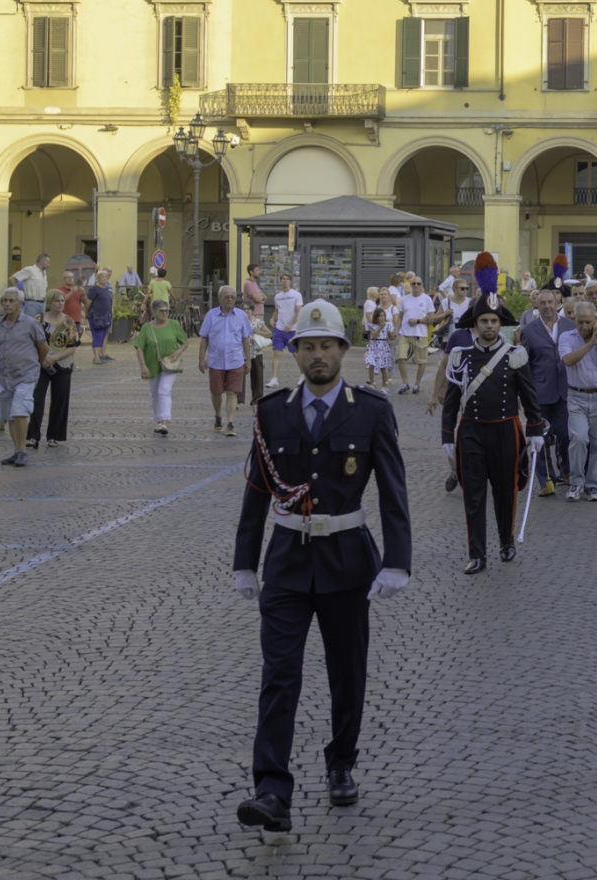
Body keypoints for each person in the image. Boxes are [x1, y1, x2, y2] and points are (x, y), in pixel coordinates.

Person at [232, 299, 411, 833]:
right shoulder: (272, 410)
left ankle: (340, 763)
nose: (316, 356)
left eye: (325, 346)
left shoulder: (372, 409)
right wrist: (245, 562)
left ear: (342, 351)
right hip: (287, 563)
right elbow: (258, 491)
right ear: (297, 352)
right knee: (279, 675)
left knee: (346, 675)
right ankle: (271, 789)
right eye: (307, 347)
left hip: (348, 562)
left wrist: (397, 561)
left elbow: (393, 492)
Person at [440, 257, 545, 573]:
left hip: (505, 431)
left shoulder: (516, 356)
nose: (488, 326)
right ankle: (477, 554)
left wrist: (536, 430)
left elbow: (529, 396)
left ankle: (506, 541)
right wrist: (447, 434)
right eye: (483, 321)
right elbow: (451, 399)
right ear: (474, 324)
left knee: (505, 492)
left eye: (494, 321)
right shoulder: (461, 356)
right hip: (471, 431)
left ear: (501, 325)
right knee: (473, 496)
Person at [559, 300, 597, 501]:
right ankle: (576, 483)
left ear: (596, 320)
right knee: (578, 438)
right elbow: (567, 360)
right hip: (576, 397)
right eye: (580, 322)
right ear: (573, 319)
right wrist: (590, 343)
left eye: (588, 322)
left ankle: (593, 486)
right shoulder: (566, 337)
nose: (584, 327)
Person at [518, 286, 571, 495]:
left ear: (557, 303)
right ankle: (545, 480)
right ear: (536, 305)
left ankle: (565, 468)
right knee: (539, 437)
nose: (547, 306)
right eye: (543, 303)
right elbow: (524, 365)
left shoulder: (569, 325)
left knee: (565, 434)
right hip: (539, 392)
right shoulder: (529, 330)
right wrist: (524, 394)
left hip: (565, 389)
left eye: (550, 302)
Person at [0, 287, 48, 467]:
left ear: (20, 304)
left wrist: (35, 366)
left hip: (25, 375)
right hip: (5, 377)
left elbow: (43, 348)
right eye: (5, 300)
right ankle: (16, 451)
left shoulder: (31, 324)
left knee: (20, 412)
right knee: (10, 415)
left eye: (11, 301)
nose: (7, 304)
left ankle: (22, 451)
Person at [26, 289, 82, 450]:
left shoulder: (69, 322)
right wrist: (43, 358)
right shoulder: (38, 320)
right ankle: (32, 436)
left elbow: (71, 347)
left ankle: (54, 436)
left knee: (60, 401)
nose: (60, 303)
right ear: (49, 303)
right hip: (41, 365)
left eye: (62, 300)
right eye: (57, 301)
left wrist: (54, 358)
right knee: (36, 400)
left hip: (62, 365)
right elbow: (31, 343)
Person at [197, 285, 254, 437]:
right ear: (219, 298)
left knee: (231, 392)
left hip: (235, 360)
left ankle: (230, 422)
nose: (230, 300)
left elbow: (245, 339)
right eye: (226, 297)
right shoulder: (211, 315)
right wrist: (201, 359)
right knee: (216, 392)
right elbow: (204, 338)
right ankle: (218, 415)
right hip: (216, 361)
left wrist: (248, 360)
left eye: (232, 297)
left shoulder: (241, 315)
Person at [134, 298, 188, 435]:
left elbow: (184, 341)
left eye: (167, 311)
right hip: (152, 364)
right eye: (161, 311)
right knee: (154, 393)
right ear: (153, 312)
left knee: (164, 390)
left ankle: (164, 422)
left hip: (170, 364)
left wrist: (178, 352)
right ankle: (158, 420)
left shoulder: (174, 324)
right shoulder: (147, 327)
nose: (165, 313)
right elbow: (139, 348)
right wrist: (143, 366)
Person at [395, 277, 435, 395]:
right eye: (414, 284)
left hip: (420, 334)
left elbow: (431, 318)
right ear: (410, 285)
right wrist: (395, 331)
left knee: (421, 361)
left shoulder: (427, 299)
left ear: (422, 284)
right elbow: (400, 317)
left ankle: (417, 384)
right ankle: (405, 382)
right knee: (401, 357)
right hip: (404, 333)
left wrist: (417, 321)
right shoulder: (404, 299)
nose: (416, 285)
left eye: (418, 283)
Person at [268, 274, 304, 390]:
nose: (285, 281)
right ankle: (274, 379)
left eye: (287, 279)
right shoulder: (278, 296)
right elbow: (277, 310)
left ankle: (303, 375)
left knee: (296, 353)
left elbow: (299, 312)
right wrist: (272, 319)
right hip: (279, 328)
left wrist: (290, 324)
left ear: (290, 281)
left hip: (292, 329)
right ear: (280, 281)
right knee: (276, 353)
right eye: (283, 279)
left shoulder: (296, 295)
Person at [85, 266, 115, 364]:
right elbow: (88, 303)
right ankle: (96, 357)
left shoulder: (106, 289)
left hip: (106, 316)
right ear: (98, 278)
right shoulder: (94, 289)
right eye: (103, 277)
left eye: (106, 277)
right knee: (97, 337)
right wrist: (85, 314)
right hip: (96, 316)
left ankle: (100, 356)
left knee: (102, 337)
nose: (105, 278)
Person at [362, 301, 394, 391]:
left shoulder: (387, 326)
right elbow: (374, 336)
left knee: (383, 367)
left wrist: (392, 337)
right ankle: (372, 383)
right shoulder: (372, 325)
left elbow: (390, 335)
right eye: (380, 316)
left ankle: (384, 385)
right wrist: (380, 327)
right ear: (376, 317)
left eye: (383, 316)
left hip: (383, 346)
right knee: (371, 365)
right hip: (374, 346)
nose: (382, 318)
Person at [11, 252, 51, 318]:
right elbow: (12, 278)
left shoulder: (44, 273)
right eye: (48, 262)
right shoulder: (30, 270)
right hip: (32, 303)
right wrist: (18, 292)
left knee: (42, 325)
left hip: (43, 303)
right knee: (30, 324)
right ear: (42, 261)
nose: (49, 265)